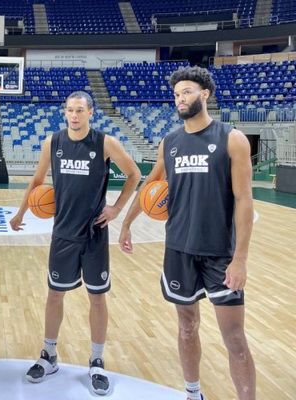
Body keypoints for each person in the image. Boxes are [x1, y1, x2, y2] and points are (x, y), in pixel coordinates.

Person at [118, 66, 256, 400]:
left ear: (204, 94)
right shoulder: (170, 143)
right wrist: (126, 223)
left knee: (235, 339)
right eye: (177, 94)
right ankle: (193, 393)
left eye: (187, 92)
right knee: (187, 326)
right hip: (179, 250)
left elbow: (244, 200)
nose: (180, 98)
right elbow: (151, 185)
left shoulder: (232, 139)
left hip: (220, 254)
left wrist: (240, 259)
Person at [10, 91, 141, 395]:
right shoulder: (53, 142)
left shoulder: (105, 143)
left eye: (80, 110)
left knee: (97, 298)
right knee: (55, 294)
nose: (74, 115)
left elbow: (134, 174)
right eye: (70, 110)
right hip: (63, 234)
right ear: (65, 112)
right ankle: (49, 355)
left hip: (94, 233)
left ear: (90, 112)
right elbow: (37, 181)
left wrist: (116, 208)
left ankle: (96, 361)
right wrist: (21, 212)